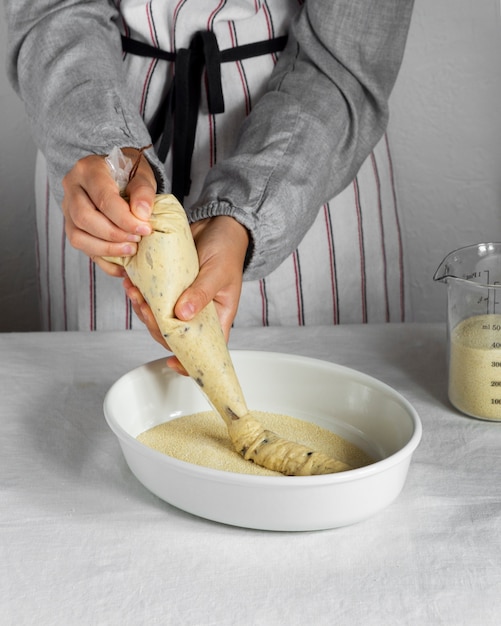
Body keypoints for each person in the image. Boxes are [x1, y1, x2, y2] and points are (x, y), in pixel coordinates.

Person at [5, 0, 414, 363]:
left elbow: (344, 55)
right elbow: (49, 10)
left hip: (309, 140)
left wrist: (247, 214)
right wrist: (105, 146)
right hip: (97, 108)